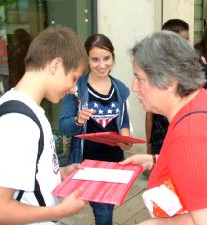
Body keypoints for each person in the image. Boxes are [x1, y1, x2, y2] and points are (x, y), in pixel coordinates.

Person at [121, 31, 207, 225]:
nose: (134, 86)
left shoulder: (192, 136)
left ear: (170, 82)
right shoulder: (200, 103)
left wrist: (155, 224)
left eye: (139, 78)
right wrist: (155, 160)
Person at [0, 25, 89, 225]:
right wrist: (60, 211)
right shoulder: (19, 123)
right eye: (73, 79)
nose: (73, 89)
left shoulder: (23, 107)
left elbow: (26, 173)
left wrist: (60, 172)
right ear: (55, 65)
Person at [59, 33, 131, 225]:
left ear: (113, 58)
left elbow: (123, 122)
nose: (102, 64)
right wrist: (78, 120)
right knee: (104, 213)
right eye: (95, 59)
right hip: (86, 164)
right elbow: (64, 127)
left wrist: (126, 139)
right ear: (87, 60)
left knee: (106, 211)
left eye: (106, 58)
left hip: (114, 163)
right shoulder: (76, 89)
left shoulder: (120, 89)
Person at [146, 19, 189, 156]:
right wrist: (148, 144)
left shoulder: (191, 71)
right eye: (181, 40)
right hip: (160, 140)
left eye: (187, 39)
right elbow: (149, 114)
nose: (187, 44)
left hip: (184, 137)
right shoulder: (155, 71)